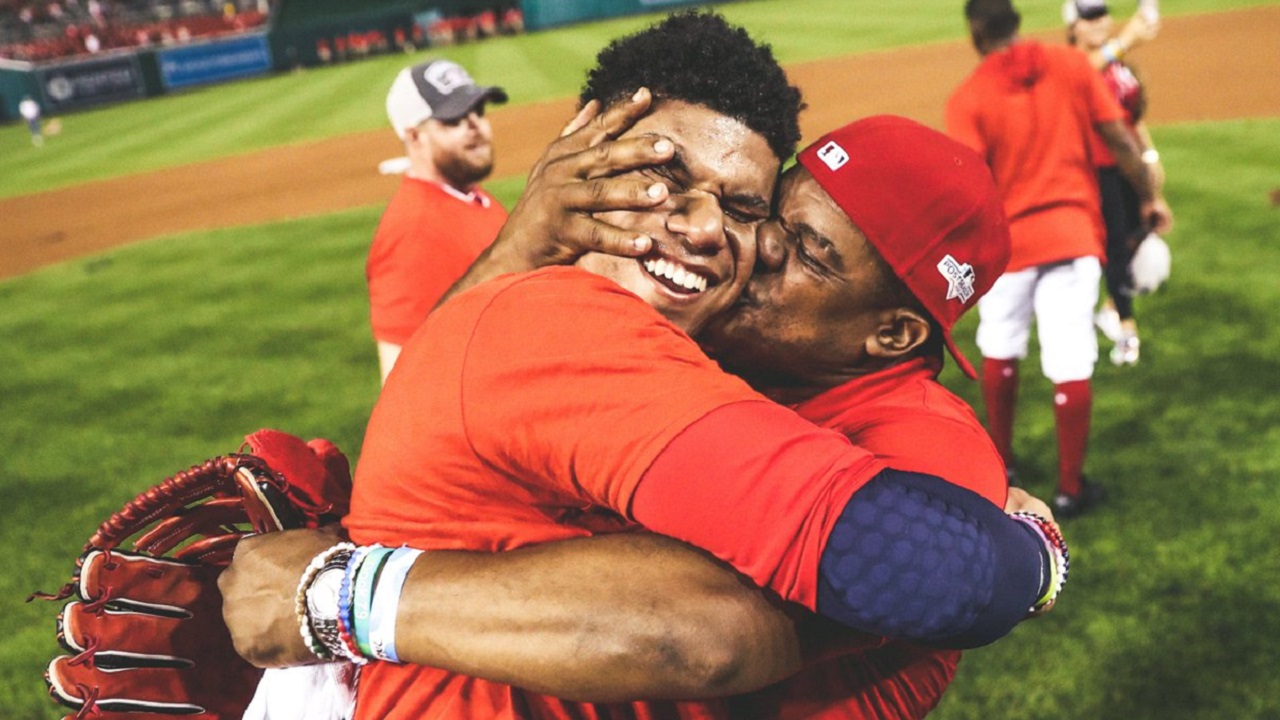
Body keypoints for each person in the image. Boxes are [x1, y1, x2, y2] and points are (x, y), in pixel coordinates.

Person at [224, 12, 1064, 718]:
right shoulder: (560, 320)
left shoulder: (917, 444)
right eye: (664, 173)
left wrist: (344, 597)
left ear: (889, 337)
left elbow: (718, 631)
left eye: (757, 216)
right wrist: (520, 250)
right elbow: (483, 353)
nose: (733, 237)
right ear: (579, 144)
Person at [946, 0, 1172, 517]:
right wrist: (1149, 197)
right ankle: (1072, 488)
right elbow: (1119, 138)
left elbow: (969, 188)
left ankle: (1001, 468)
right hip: (1072, 236)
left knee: (1000, 348)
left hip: (1010, 248)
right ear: (1016, 22)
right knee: (1070, 357)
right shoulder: (1070, 66)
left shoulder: (969, 97)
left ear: (976, 36)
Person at [366, 58, 509, 384]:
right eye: (453, 119)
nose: (475, 125)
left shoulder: (473, 198)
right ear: (414, 136)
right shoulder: (412, 231)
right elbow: (402, 382)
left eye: (478, 111)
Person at [1063, 0, 1173, 366]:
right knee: (1116, 246)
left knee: (1140, 235)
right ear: (1073, 26)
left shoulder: (1117, 65)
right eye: (1088, 17)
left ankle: (1111, 308)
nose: (1097, 23)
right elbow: (1080, 78)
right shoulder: (1071, 64)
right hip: (1096, 170)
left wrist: (1150, 158)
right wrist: (1126, 39)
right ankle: (1127, 329)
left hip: (1128, 167)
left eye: (1101, 14)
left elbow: (1132, 116)